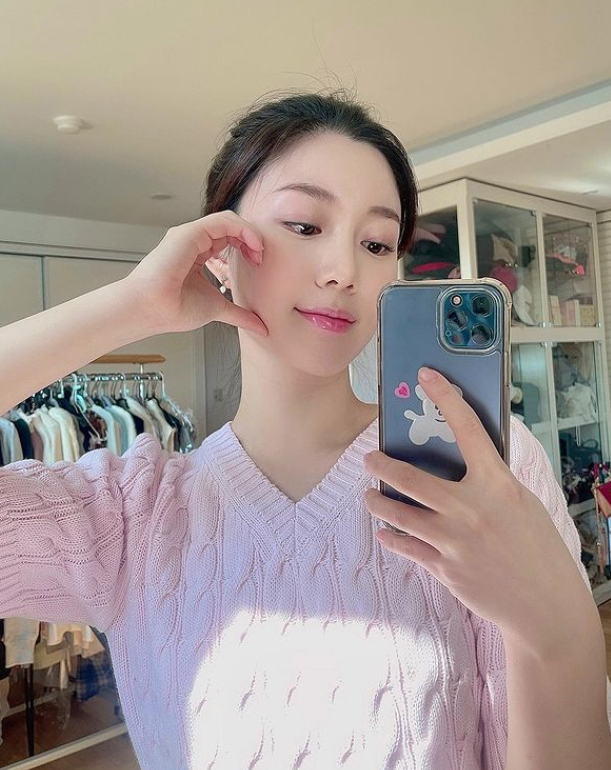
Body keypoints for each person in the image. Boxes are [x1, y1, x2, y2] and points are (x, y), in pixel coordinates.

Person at [0, 88, 610, 770]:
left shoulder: (482, 469)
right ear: (221, 250)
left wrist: (562, 633)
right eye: (303, 225)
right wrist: (129, 308)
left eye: (376, 243)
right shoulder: (132, 514)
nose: (344, 271)